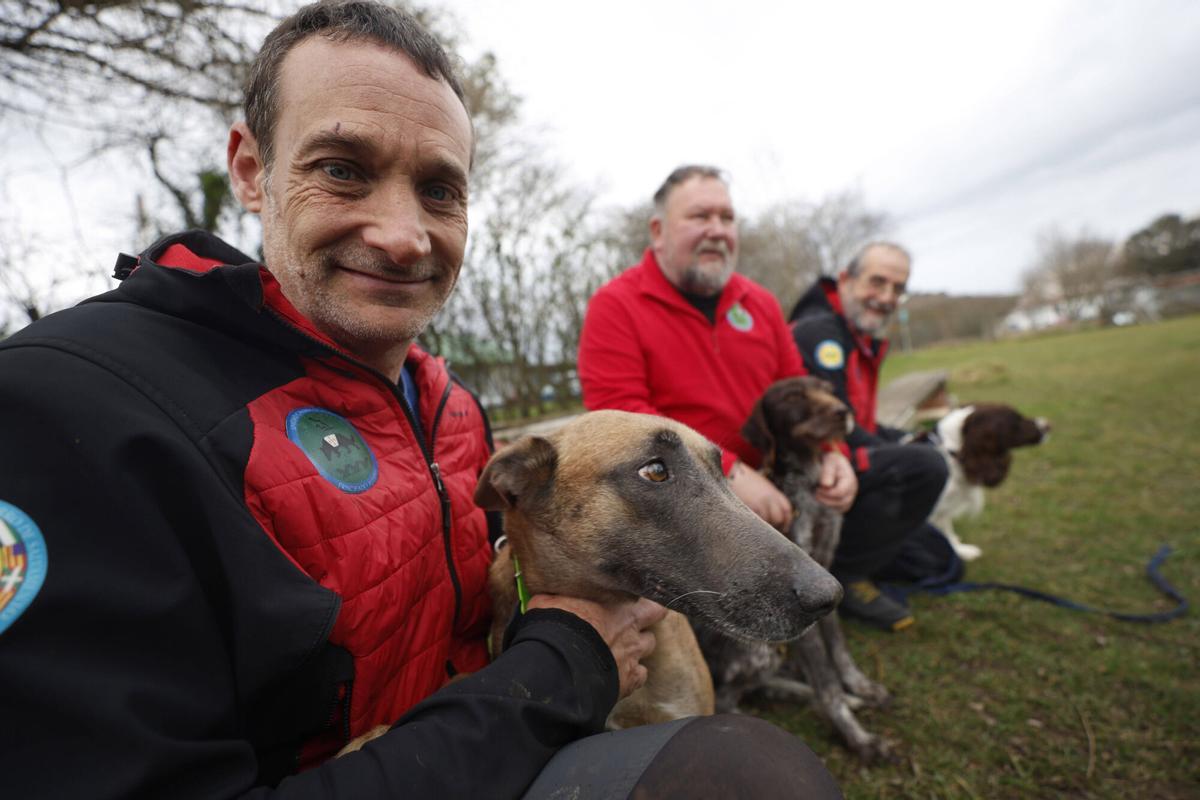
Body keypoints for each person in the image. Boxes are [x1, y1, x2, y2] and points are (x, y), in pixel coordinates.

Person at [0, 4, 842, 798]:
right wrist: (563, 666)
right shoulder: (71, 407)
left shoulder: (451, 408)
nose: (403, 235)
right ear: (252, 171)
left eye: (440, 189)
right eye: (342, 170)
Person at [577, 166, 857, 572]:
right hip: (684, 491)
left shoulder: (759, 302)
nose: (718, 230)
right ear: (658, 231)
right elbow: (622, 415)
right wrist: (727, 474)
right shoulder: (615, 305)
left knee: (907, 471)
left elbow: (797, 387)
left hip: (777, 473)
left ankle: (835, 585)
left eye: (727, 218)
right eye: (700, 216)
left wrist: (832, 452)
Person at [788, 242, 949, 629]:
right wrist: (904, 451)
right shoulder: (820, 334)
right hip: (815, 471)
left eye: (897, 288)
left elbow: (861, 420)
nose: (887, 297)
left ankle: (861, 563)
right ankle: (839, 577)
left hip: (847, 462)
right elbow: (836, 426)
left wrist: (911, 437)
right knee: (928, 469)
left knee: (941, 561)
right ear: (845, 280)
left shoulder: (853, 332)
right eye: (877, 282)